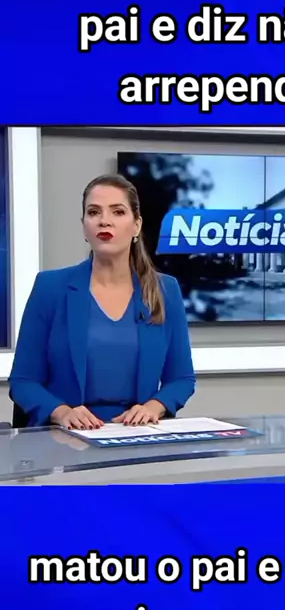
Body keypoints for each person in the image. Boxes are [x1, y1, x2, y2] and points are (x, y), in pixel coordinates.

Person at [9, 174, 196, 429]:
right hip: (65, 438)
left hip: (137, 435)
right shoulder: (50, 288)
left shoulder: (165, 290)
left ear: (136, 225)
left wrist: (153, 407)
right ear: (84, 226)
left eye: (118, 212)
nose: (104, 221)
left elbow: (182, 379)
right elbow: (23, 382)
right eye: (94, 212)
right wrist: (62, 413)